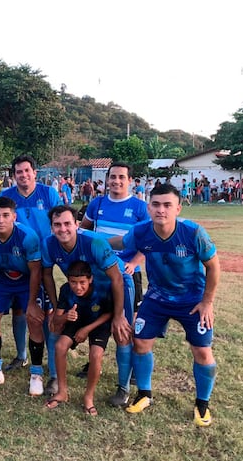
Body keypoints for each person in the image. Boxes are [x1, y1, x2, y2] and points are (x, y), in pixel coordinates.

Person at [109, 183, 220, 427]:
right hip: (156, 298)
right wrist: (86, 236)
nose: (161, 210)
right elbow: (119, 242)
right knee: (140, 342)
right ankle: (144, 394)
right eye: (156, 204)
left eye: (167, 205)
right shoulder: (141, 232)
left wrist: (207, 302)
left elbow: (213, 266)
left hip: (192, 301)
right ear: (149, 208)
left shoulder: (193, 233)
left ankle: (202, 404)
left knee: (202, 351)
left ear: (178, 208)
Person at [43, 205, 133, 406]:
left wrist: (118, 315)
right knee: (56, 326)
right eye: (57, 225)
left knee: (121, 333)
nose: (63, 229)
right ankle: (56, 379)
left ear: (77, 224)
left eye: (67, 223)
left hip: (114, 285)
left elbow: (117, 279)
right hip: (81, 290)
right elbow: (47, 275)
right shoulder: (48, 244)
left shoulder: (95, 243)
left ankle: (123, 388)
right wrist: (56, 307)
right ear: (51, 227)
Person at [79, 162, 147, 403]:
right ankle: (94, 361)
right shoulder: (97, 204)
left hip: (127, 275)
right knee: (96, 317)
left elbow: (149, 241)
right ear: (107, 180)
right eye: (112, 177)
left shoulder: (140, 207)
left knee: (125, 328)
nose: (116, 181)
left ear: (130, 180)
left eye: (121, 177)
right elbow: (83, 230)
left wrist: (135, 262)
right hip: (99, 274)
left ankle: (125, 385)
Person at [0, 154, 61, 395]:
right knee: (19, 309)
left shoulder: (48, 194)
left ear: (35, 172)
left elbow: (59, 223)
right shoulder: (8, 196)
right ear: (14, 175)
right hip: (16, 261)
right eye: (18, 172)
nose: (23, 175)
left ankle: (54, 372)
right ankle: (21, 355)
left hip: (43, 261)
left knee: (45, 313)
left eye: (27, 171)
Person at [0, 196, 41, 392]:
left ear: (14, 216)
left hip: (26, 280)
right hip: (1, 280)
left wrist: (32, 302)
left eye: (5, 215)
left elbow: (36, 271)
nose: (0, 220)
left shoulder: (28, 236)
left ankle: (36, 374)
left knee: (34, 319)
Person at [44, 261, 112, 416]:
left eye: (82, 282)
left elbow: (109, 313)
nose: (78, 287)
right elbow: (56, 320)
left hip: (97, 323)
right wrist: (67, 316)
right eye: (73, 282)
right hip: (77, 320)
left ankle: (88, 397)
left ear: (91, 279)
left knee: (96, 355)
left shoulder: (101, 290)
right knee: (60, 346)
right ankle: (62, 392)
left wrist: (87, 329)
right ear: (68, 280)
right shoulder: (66, 290)